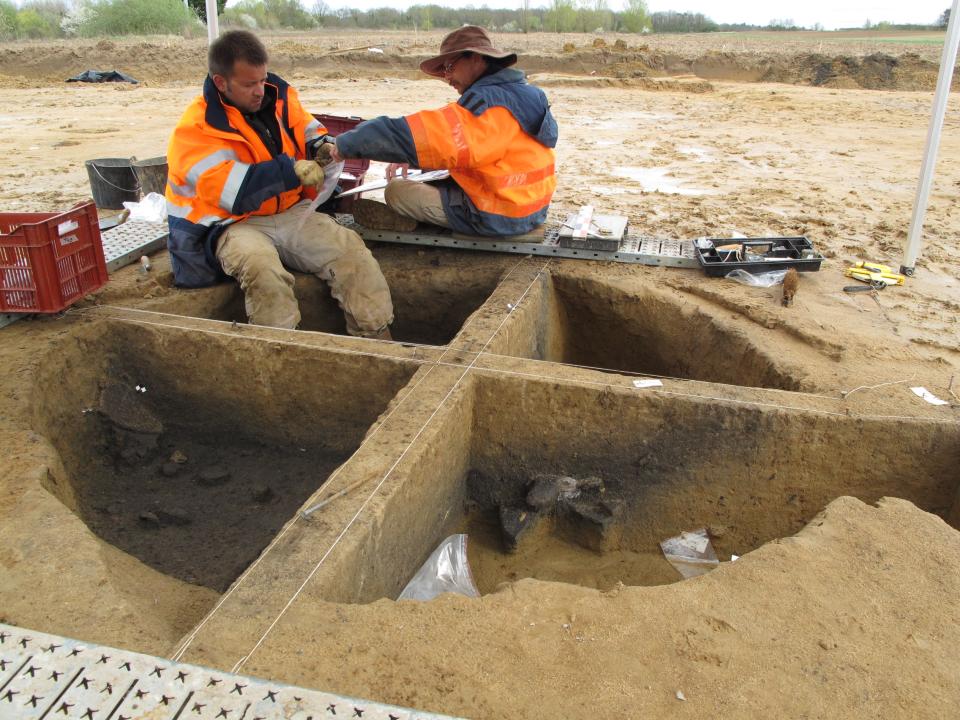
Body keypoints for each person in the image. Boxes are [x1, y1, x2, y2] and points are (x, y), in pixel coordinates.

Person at [165, 30, 393, 338]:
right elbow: (236, 194)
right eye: (249, 84)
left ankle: (375, 340)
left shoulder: (279, 97)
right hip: (234, 223)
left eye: (262, 80)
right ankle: (279, 352)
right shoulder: (195, 129)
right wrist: (290, 171)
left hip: (289, 211)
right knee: (263, 270)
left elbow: (310, 131)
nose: (260, 90)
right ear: (221, 83)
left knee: (352, 253)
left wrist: (321, 147)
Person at [330, 25, 558, 237]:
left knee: (396, 192)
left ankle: (412, 221)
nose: (447, 78)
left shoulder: (485, 105)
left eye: (450, 67)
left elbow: (408, 135)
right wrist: (415, 160)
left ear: (477, 58)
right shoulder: (528, 94)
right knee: (428, 178)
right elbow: (477, 150)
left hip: (497, 215)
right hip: (532, 209)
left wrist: (346, 144)